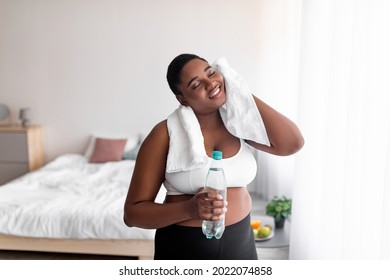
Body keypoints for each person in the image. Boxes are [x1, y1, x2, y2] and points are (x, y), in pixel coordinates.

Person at [123, 54, 304, 260]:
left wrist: (240, 92)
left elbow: (293, 143)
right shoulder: (164, 134)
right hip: (183, 248)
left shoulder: (238, 122)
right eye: (196, 84)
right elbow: (132, 214)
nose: (211, 83)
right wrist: (189, 209)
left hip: (241, 244)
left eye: (211, 72)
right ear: (181, 98)